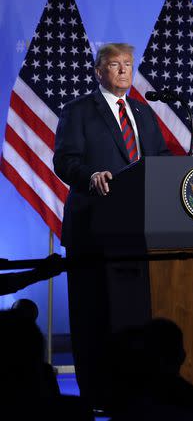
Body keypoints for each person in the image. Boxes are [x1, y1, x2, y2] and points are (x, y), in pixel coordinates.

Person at [53, 43, 171, 407]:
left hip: (138, 231)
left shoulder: (142, 111)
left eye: (128, 65)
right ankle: (96, 395)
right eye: (115, 65)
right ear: (99, 72)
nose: (123, 71)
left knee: (134, 316)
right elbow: (65, 160)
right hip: (93, 227)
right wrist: (91, 176)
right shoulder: (79, 111)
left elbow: (160, 159)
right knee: (93, 315)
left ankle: (135, 390)